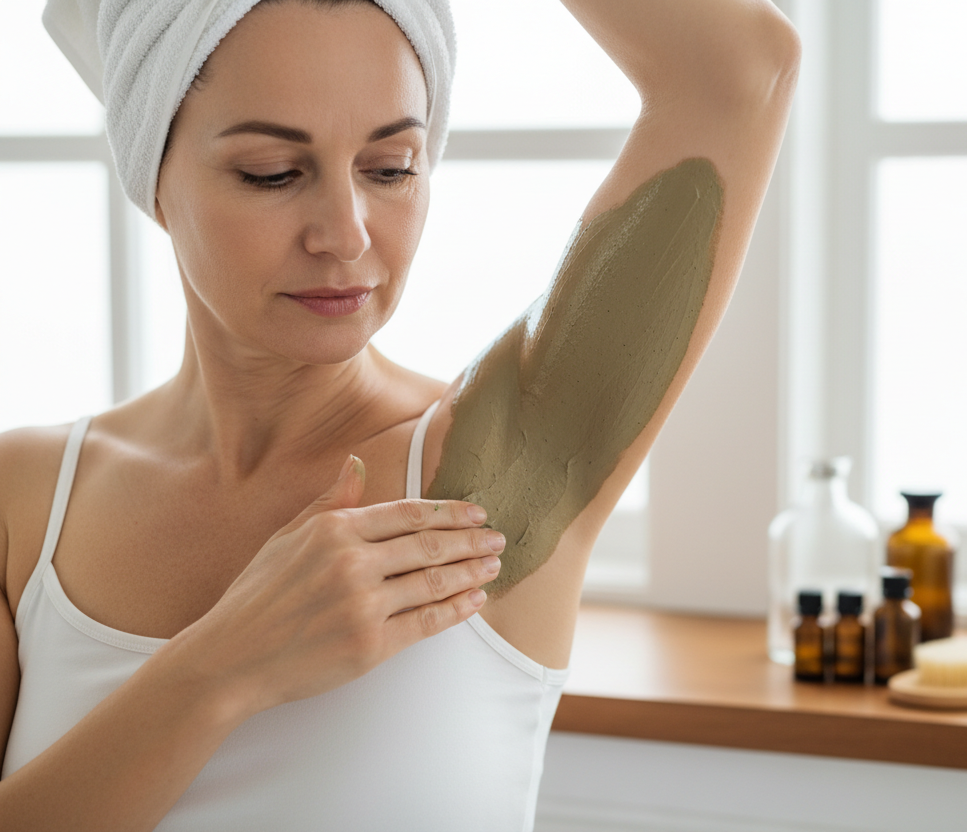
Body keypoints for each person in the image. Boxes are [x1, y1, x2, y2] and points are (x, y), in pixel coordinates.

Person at [0, 0, 799, 828]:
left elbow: (742, 67)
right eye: (273, 171)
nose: (345, 236)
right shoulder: (25, 501)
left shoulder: (506, 460)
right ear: (153, 175)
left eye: (391, 167)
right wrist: (220, 667)